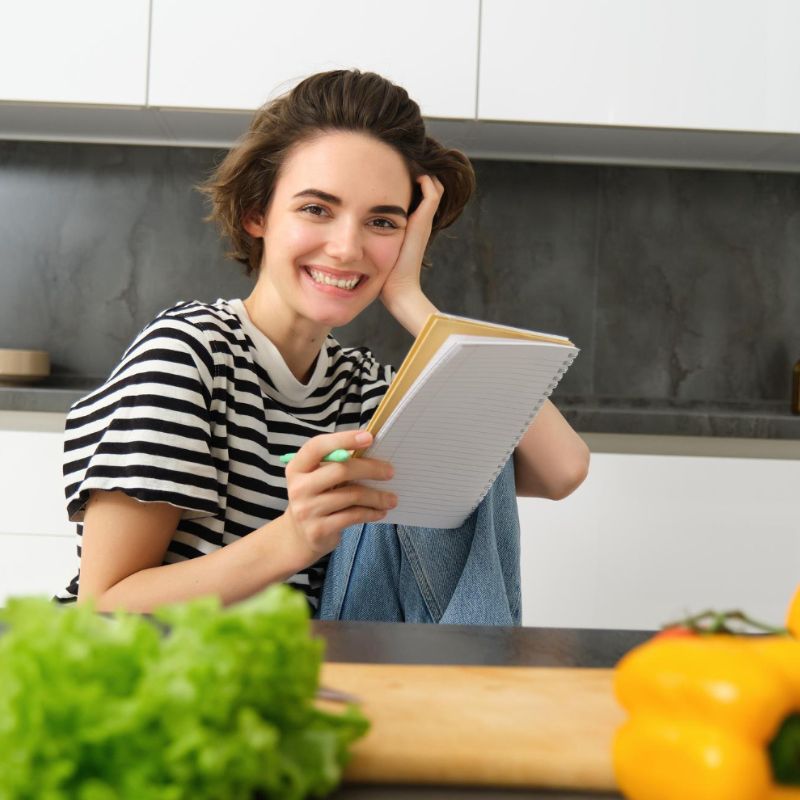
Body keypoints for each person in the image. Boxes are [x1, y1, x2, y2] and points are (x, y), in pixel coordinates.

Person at [56, 70, 589, 620]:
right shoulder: (188, 354)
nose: (346, 247)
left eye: (382, 221)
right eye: (317, 209)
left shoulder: (362, 388)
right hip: (159, 672)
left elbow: (563, 469)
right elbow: (104, 606)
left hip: (306, 670)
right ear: (257, 213)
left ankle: (449, 693)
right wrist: (296, 537)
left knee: (475, 436)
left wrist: (410, 298)